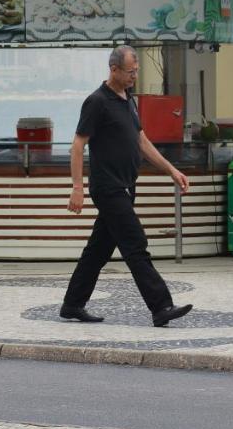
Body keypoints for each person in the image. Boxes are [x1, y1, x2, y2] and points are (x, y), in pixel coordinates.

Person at [62, 45, 193, 327]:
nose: (135, 75)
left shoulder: (128, 99)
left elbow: (141, 142)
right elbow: (77, 146)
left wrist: (172, 170)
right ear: (114, 69)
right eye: (131, 71)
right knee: (135, 245)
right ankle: (161, 306)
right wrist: (76, 188)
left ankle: (72, 304)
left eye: (137, 71)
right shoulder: (96, 101)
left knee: (97, 251)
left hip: (126, 186)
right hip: (108, 188)